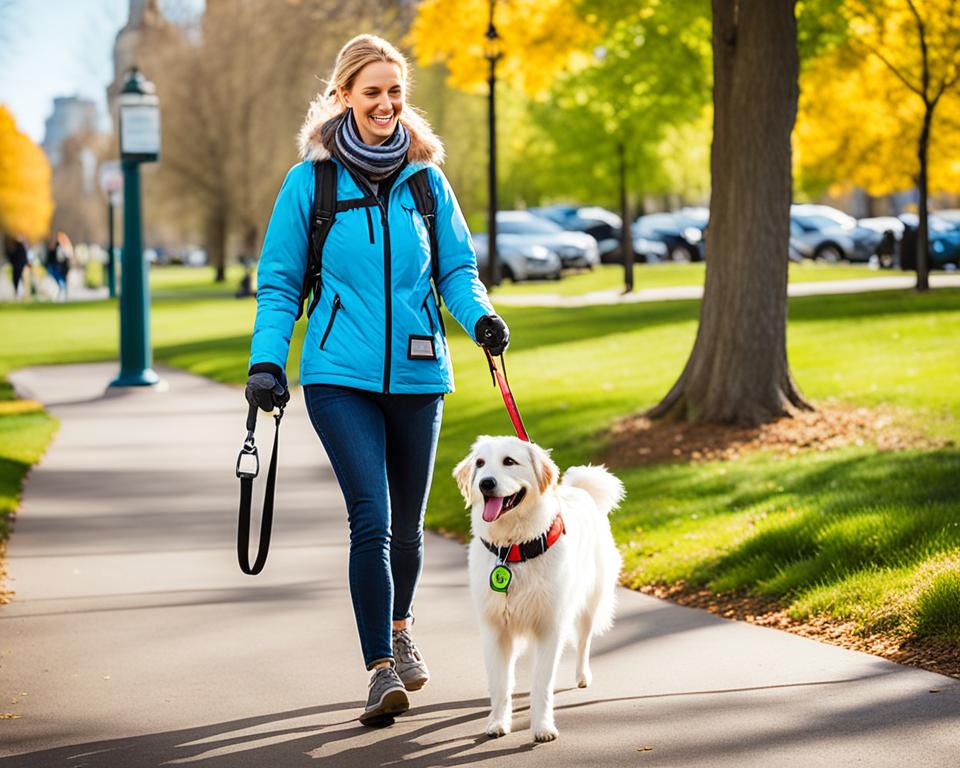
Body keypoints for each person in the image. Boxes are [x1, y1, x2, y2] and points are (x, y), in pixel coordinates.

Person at [244, 34, 509, 727]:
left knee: (410, 529)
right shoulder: (312, 182)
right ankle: (379, 669)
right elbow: (277, 284)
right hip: (340, 376)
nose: (387, 104)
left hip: (420, 376)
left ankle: (399, 626)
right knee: (374, 518)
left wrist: (480, 318)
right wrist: (266, 362)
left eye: (395, 91)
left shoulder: (426, 181)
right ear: (343, 98)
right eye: (372, 92)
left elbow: (456, 269)